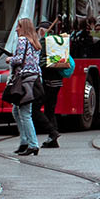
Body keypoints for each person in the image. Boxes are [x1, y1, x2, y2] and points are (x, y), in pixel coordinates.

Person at [5, 16, 45, 157]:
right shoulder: (35, 42)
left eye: (18, 26)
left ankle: (32, 144)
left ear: (24, 28)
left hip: (24, 80)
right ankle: (24, 141)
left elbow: (19, 59)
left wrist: (10, 59)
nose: (16, 29)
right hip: (33, 79)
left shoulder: (22, 40)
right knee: (17, 111)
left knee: (25, 113)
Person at [33, 17, 71, 148]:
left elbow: (42, 61)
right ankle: (52, 140)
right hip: (57, 81)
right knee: (50, 109)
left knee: (35, 109)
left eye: (38, 30)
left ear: (42, 31)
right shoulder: (57, 42)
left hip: (47, 81)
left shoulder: (44, 42)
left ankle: (52, 132)